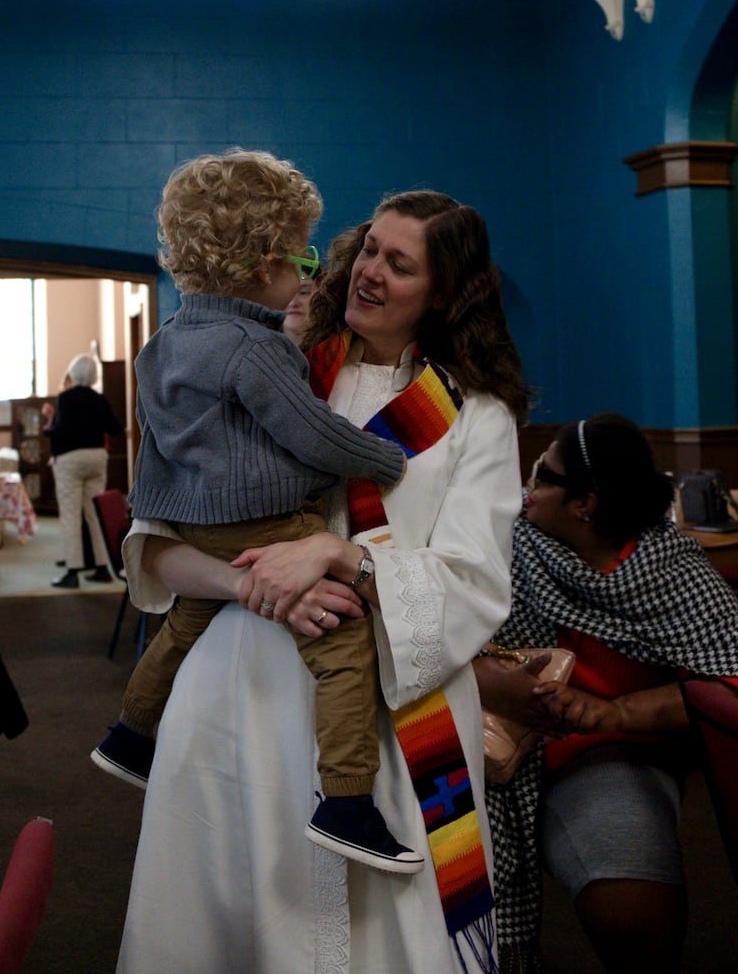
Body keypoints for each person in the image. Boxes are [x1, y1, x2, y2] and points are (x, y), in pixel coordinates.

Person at [116, 189, 531, 972]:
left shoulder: (476, 415)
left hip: (388, 714)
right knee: (223, 909)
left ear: (443, 292)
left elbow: (478, 583)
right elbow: (157, 541)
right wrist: (251, 582)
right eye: (370, 248)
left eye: (399, 264)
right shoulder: (272, 363)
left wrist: (342, 558)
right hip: (240, 690)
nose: (369, 272)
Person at [91, 150, 414, 872]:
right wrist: (386, 458)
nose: (307, 276)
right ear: (266, 264)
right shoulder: (255, 345)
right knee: (343, 647)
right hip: (265, 519)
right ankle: (348, 802)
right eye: (302, 259)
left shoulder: (165, 340)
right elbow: (312, 432)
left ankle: (129, 734)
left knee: (181, 622)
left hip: (192, 519)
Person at [481, 414, 738, 974]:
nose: (527, 489)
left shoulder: (671, 567)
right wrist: (493, 682)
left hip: (603, 753)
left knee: (633, 908)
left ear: (585, 504)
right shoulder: (504, 544)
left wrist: (613, 712)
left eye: (543, 477)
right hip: (486, 743)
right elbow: (434, 634)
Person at [42, 352, 125, 588]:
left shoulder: (67, 398)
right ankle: (102, 567)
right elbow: (116, 428)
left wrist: (49, 426)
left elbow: (61, 431)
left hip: (70, 460)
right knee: (94, 513)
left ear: (73, 373)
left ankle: (73, 571)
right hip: (97, 458)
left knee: (71, 515)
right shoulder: (100, 399)